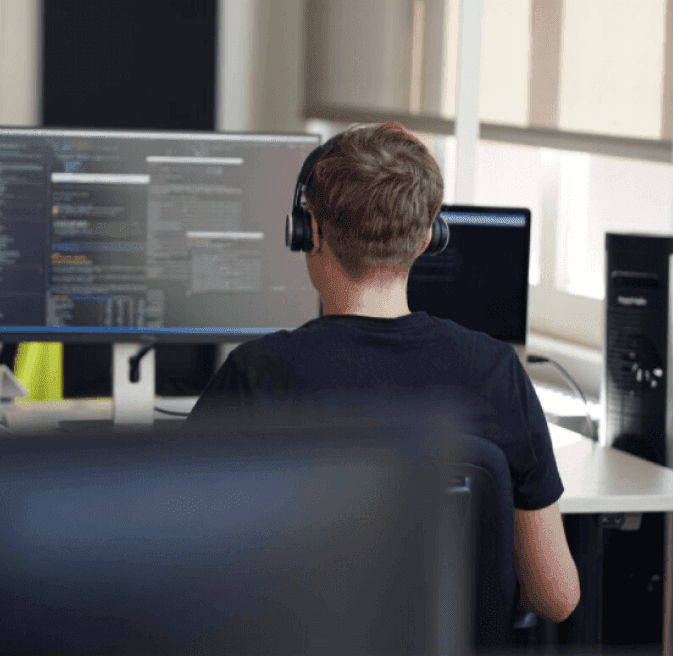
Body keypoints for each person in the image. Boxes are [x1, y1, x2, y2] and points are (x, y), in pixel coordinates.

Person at [186, 122, 581, 624]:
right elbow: (556, 597)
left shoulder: (256, 375)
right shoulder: (496, 372)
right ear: (426, 240)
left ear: (309, 232)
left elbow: (184, 568)